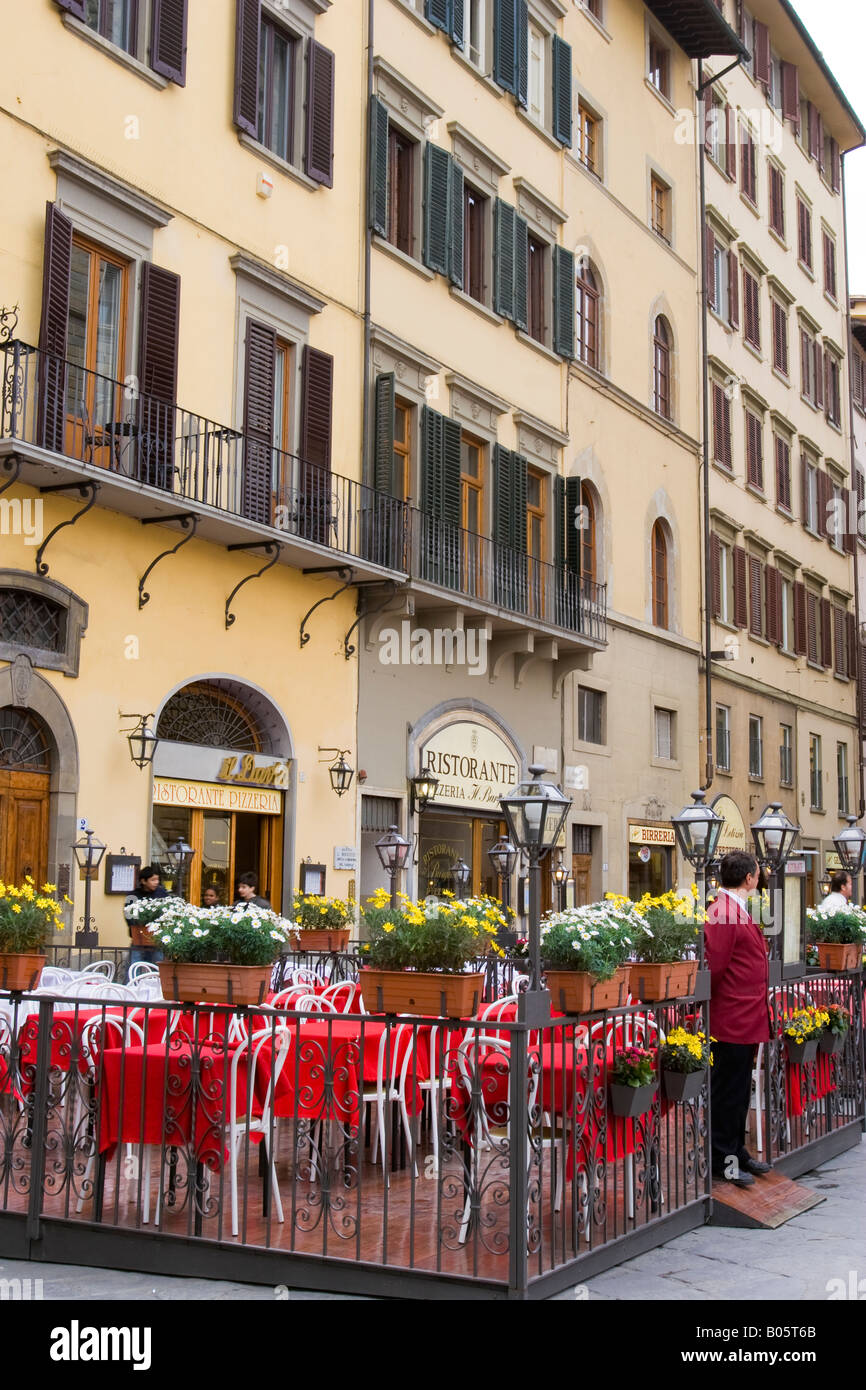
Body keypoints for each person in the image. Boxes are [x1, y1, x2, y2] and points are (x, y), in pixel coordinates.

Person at [704, 850, 773, 1189]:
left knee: (739, 1092)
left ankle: (737, 1152)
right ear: (749, 878)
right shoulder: (723, 912)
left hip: (743, 1018)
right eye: (758, 874)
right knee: (727, 1093)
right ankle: (723, 1160)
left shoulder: (734, 910)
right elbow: (714, 968)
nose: (759, 878)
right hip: (730, 1018)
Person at [125, 865, 169, 965]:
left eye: (157, 879)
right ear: (143, 881)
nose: (156, 882)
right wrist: (139, 925)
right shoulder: (133, 896)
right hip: (139, 938)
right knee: (135, 966)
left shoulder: (162, 893)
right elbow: (129, 917)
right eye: (153, 880)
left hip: (157, 939)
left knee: (157, 967)